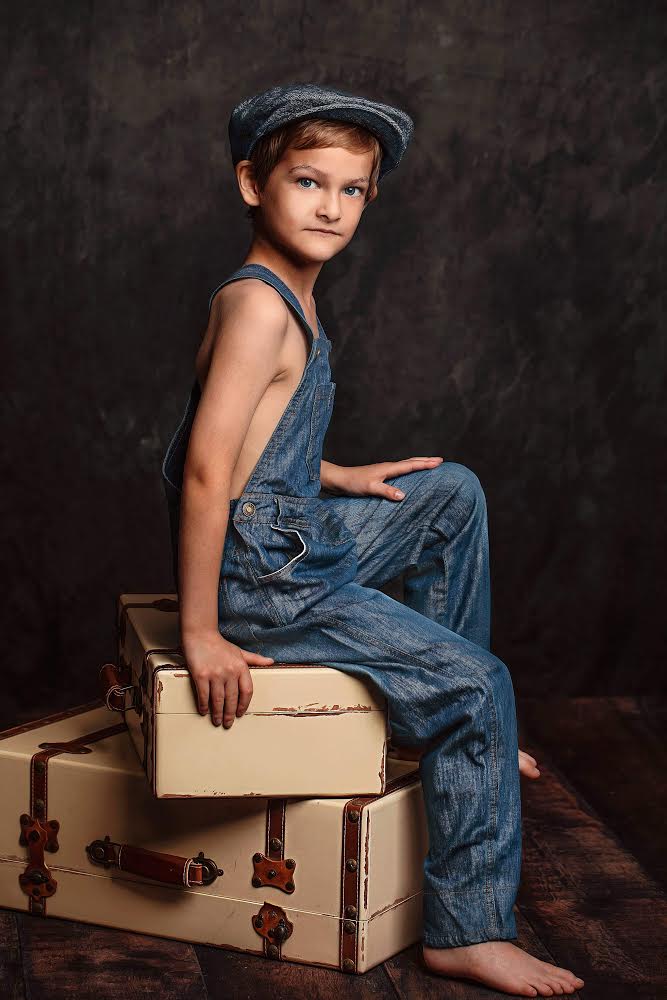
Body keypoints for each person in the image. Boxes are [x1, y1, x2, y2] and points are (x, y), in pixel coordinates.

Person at [161, 82, 584, 996]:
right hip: (270, 584)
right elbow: (203, 471)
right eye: (307, 182)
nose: (330, 207)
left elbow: (256, 444)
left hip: (293, 537)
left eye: (351, 189)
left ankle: (454, 741)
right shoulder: (258, 308)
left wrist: (338, 475)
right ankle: (466, 927)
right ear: (252, 183)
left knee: (449, 492)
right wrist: (201, 631)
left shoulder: (287, 297)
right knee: (481, 684)